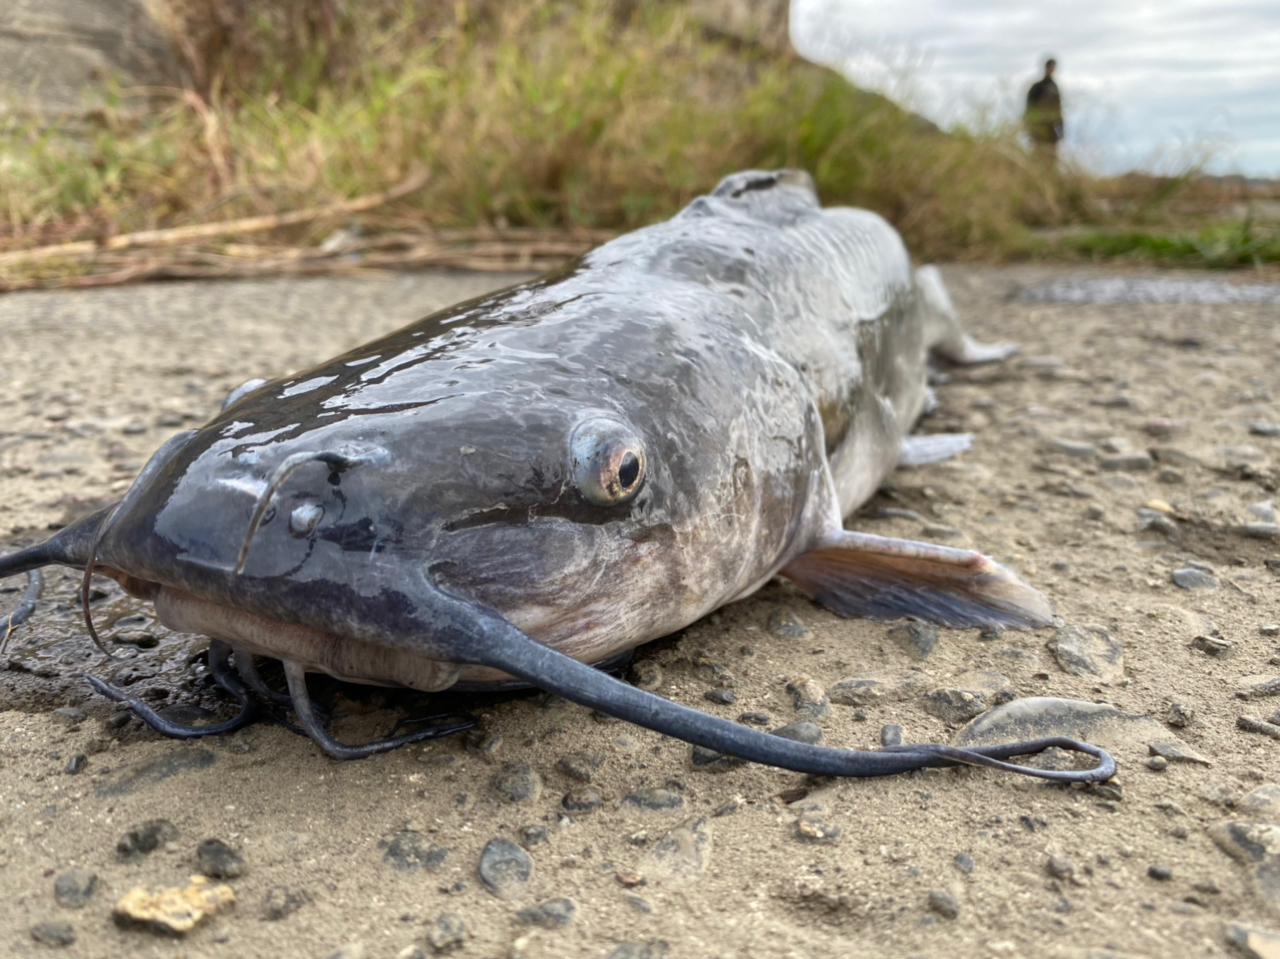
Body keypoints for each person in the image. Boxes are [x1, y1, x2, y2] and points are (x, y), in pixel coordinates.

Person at [1024, 58, 1063, 162]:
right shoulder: (1037, 87)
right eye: (1049, 67)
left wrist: (1061, 130)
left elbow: (1058, 110)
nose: (1051, 70)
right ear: (1046, 68)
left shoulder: (1054, 87)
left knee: (1051, 157)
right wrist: (1030, 127)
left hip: (1051, 129)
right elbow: (1029, 108)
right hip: (1039, 128)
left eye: (1052, 68)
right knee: (1038, 155)